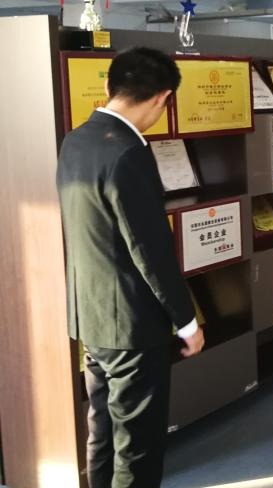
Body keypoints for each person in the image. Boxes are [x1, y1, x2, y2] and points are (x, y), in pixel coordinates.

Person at [57, 47, 205, 488]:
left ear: (109, 85)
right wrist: (186, 322)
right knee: (137, 445)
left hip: (91, 316)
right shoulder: (128, 153)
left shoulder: (76, 140)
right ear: (163, 98)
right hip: (132, 326)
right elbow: (150, 251)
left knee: (102, 430)